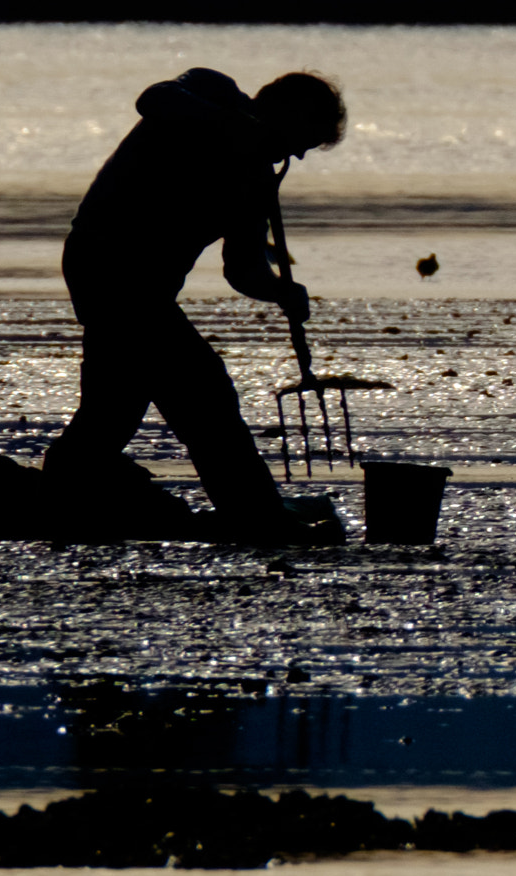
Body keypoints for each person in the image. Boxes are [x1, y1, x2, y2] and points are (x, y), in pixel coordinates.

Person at [44, 67, 344, 538]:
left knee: (115, 405)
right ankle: (255, 514)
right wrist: (231, 126)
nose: (300, 154)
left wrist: (280, 290)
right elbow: (153, 97)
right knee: (204, 392)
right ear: (282, 113)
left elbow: (242, 269)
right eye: (303, 138)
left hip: (150, 289)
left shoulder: (256, 180)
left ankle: (61, 492)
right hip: (105, 263)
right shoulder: (210, 91)